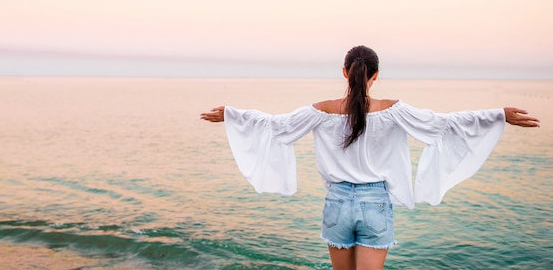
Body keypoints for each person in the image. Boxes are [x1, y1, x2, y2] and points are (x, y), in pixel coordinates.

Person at [200, 45, 540, 270]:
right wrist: (499, 115)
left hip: (336, 203)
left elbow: (274, 127)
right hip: (375, 203)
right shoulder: (395, 111)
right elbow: (445, 124)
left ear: (345, 72)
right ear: (375, 75)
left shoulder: (320, 110)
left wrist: (232, 114)